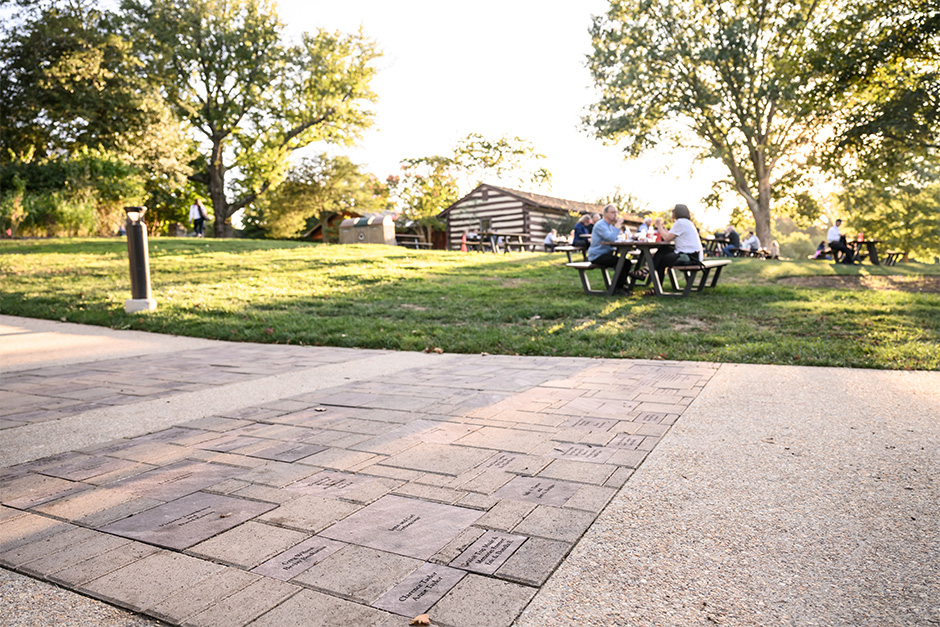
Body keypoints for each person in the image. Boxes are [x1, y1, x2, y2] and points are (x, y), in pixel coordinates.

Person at [651, 204, 704, 288]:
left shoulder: (680, 222)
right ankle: (648, 274)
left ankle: (653, 282)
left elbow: (667, 238)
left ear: (676, 212)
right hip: (693, 255)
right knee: (664, 249)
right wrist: (662, 226)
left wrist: (659, 226)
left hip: (690, 257)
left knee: (661, 260)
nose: (672, 213)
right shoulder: (686, 222)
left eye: (673, 211)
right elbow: (669, 235)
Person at [588, 204, 633, 293]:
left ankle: (619, 286)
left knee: (625, 262)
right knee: (623, 262)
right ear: (605, 214)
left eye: (616, 212)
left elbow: (615, 238)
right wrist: (617, 225)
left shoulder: (608, 225)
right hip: (597, 255)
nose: (615, 214)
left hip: (606, 254)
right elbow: (611, 238)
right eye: (612, 212)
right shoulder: (601, 225)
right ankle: (617, 288)